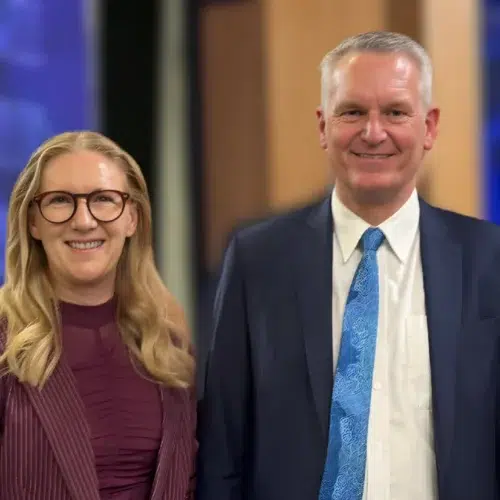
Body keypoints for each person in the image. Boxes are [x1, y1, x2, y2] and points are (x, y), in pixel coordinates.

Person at [196, 31, 500, 500]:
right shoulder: (257, 261)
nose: (373, 132)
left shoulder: (489, 260)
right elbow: (223, 449)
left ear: (429, 126)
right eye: (352, 112)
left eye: (395, 112)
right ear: (323, 126)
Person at [0, 131, 196, 499]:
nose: (84, 221)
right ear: (32, 222)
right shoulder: (4, 340)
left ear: (132, 218)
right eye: (60, 201)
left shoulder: (167, 342)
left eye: (104, 199)